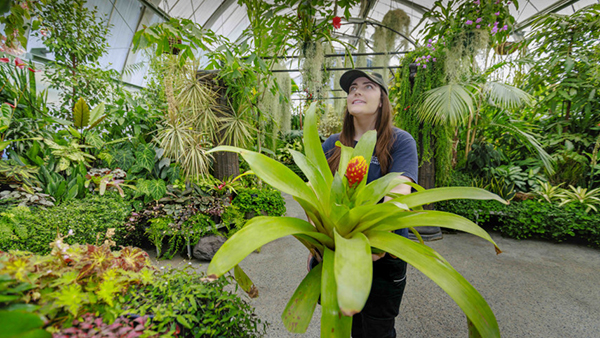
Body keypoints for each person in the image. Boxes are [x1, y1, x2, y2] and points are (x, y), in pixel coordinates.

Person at [309, 70, 418, 338]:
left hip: (382, 255)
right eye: (353, 88)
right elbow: (314, 198)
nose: (357, 91)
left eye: (368, 86)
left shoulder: (400, 141)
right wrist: (315, 241)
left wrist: (378, 245)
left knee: (376, 331)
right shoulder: (331, 144)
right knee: (339, 327)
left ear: (382, 100)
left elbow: (398, 193)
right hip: (334, 256)